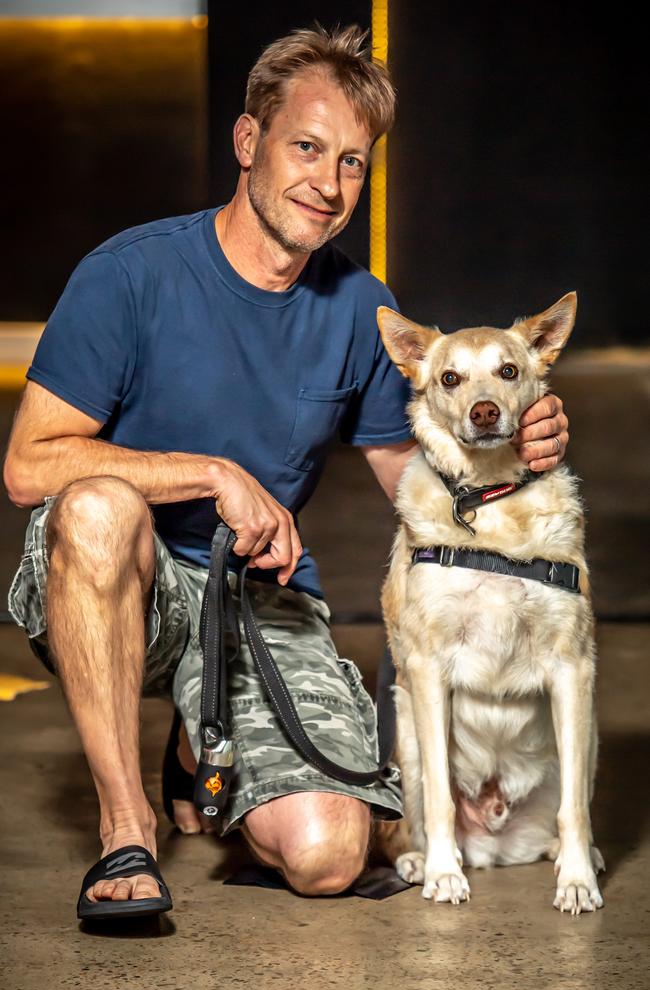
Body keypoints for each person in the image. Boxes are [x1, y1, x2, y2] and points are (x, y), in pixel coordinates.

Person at [3, 24, 569, 917]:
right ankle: (127, 827)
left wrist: (508, 446)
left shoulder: (358, 304)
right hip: (123, 582)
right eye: (306, 147)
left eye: (352, 162)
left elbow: (411, 485)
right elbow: (30, 464)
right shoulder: (131, 275)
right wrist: (213, 474)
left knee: (329, 858)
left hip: (259, 596)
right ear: (247, 142)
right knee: (100, 508)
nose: (328, 182)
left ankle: (202, 742)